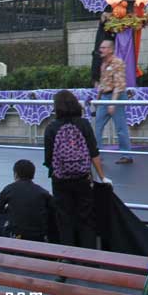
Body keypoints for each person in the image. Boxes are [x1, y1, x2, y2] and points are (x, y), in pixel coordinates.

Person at [44, 90, 108, 248]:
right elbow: (94, 152)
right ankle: (89, 256)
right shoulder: (84, 124)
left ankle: (67, 257)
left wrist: (55, 170)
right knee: (86, 217)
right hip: (83, 178)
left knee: (64, 218)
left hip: (60, 180)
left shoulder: (51, 127)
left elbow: (48, 158)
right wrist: (102, 177)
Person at [0, 159, 53, 242]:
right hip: (38, 236)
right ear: (33, 174)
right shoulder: (42, 192)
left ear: (16, 174)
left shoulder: (10, 188)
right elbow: (53, 209)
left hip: (16, 235)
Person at [95, 39, 132, 165]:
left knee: (120, 127)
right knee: (97, 126)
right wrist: (98, 97)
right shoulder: (103, 64)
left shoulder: (117, 62)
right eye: (101, 47)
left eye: (104, 47)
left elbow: (119, 84)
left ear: (111, 49)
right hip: (105, 97)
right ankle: (97, 155)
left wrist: (113, 103)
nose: (101, 50)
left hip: (117, 96)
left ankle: (126, 155)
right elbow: (103, 83)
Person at [90, 7, 114, 86]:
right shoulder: (103, 27)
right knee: (97, 81)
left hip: (109, 60)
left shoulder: (115, 30)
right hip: (98, 58)